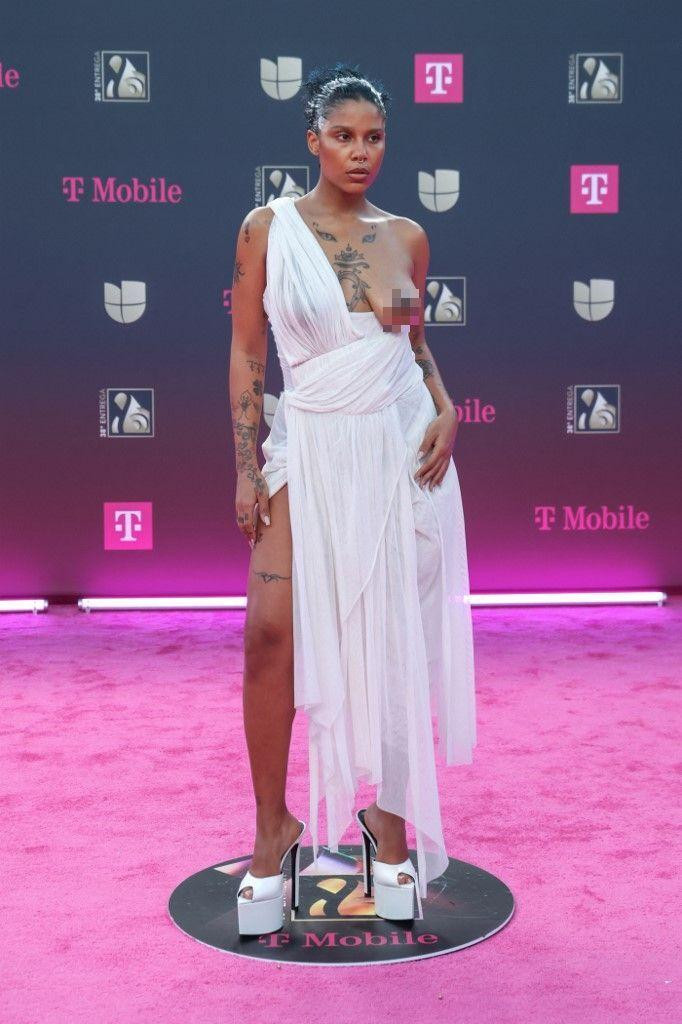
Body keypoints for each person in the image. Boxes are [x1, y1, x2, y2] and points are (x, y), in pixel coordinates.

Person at [228, 62, 476, 934]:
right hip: (307, 447)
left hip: (395, 449)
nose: (360, 151)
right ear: (313, 141)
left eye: (373, 137)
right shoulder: (268, 229)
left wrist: (446, 406)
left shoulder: (402, 237)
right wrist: (247, 465)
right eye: (343, 136)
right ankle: (273, 829)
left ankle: (390, 828)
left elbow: (411, 344)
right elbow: (248, 354)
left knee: (396, 640)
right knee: (270, 633)